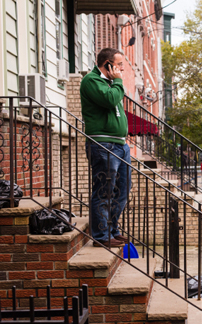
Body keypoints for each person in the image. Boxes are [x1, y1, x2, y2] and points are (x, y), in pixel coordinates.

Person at [80, 48, 130, 248]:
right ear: (108, 65)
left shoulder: (110, 83)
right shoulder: (92, 81)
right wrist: (118, 81)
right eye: (119, 65)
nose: (122, 69)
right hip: (103, 145)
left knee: (122, 190)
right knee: (104, 191)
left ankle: (112, 229)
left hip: (119, 145)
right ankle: (101, 236)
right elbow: (109, 100)